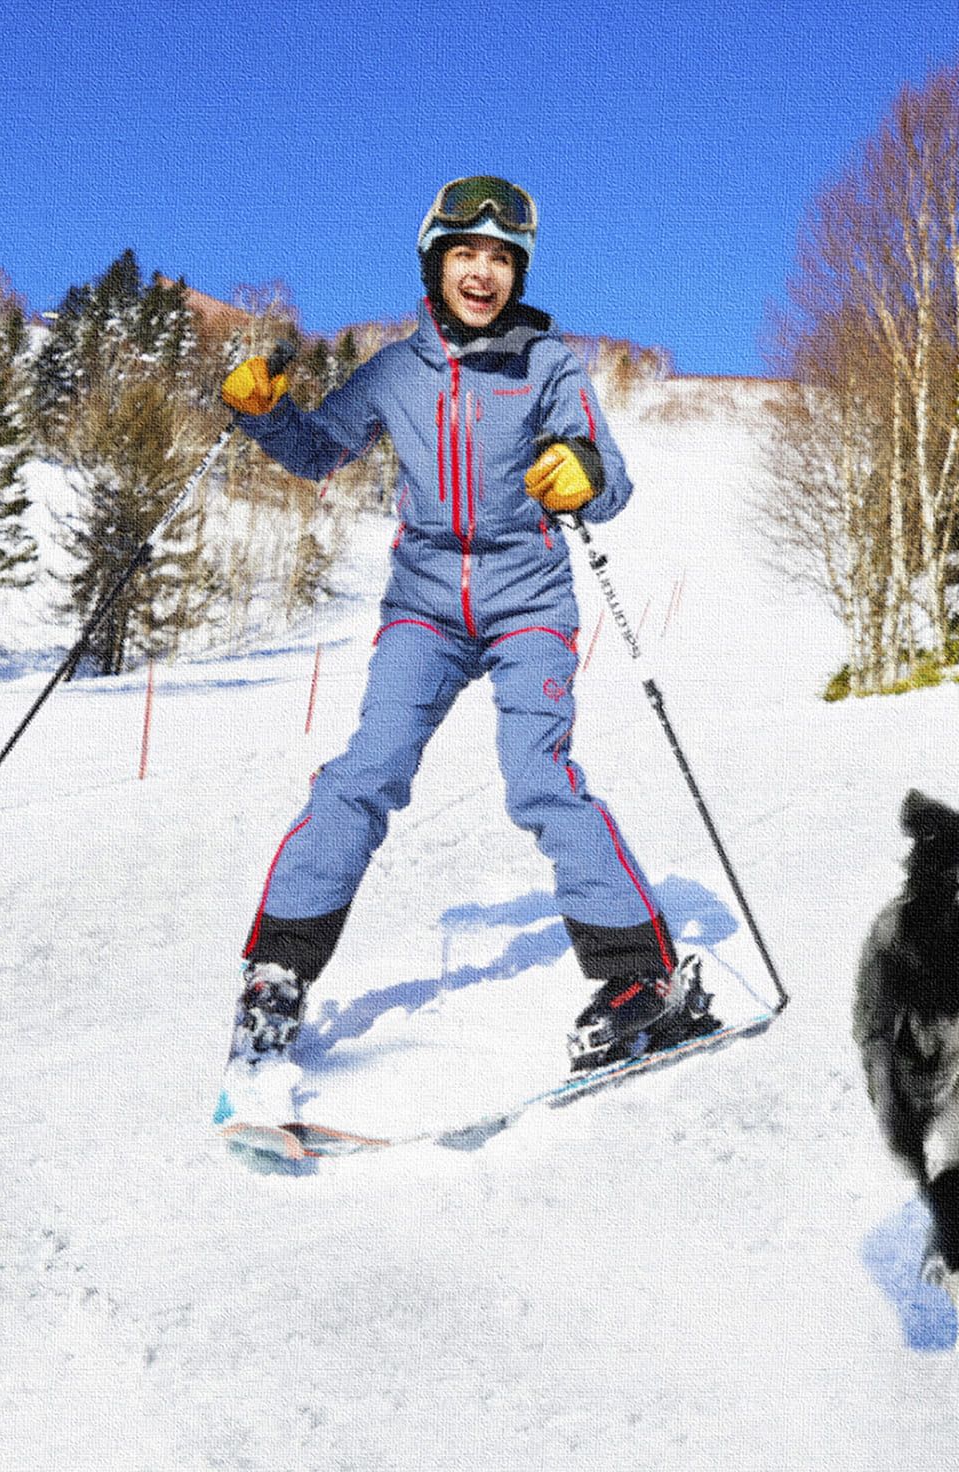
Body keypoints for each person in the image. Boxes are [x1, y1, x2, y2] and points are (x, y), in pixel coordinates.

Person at [214, 176, 715, 1131]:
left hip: (530, 600)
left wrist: (584, 473)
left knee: (539, 777)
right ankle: (277, 972)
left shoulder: (548, 365)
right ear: (435, 265)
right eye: (463, 255)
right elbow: (320, 451)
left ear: (515, 272)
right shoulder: (395, 369)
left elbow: (607, 487)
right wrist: (261, 412)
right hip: (426, 608)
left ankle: (641, 980)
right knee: (365, 773)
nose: (481, 273)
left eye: (499, 259)